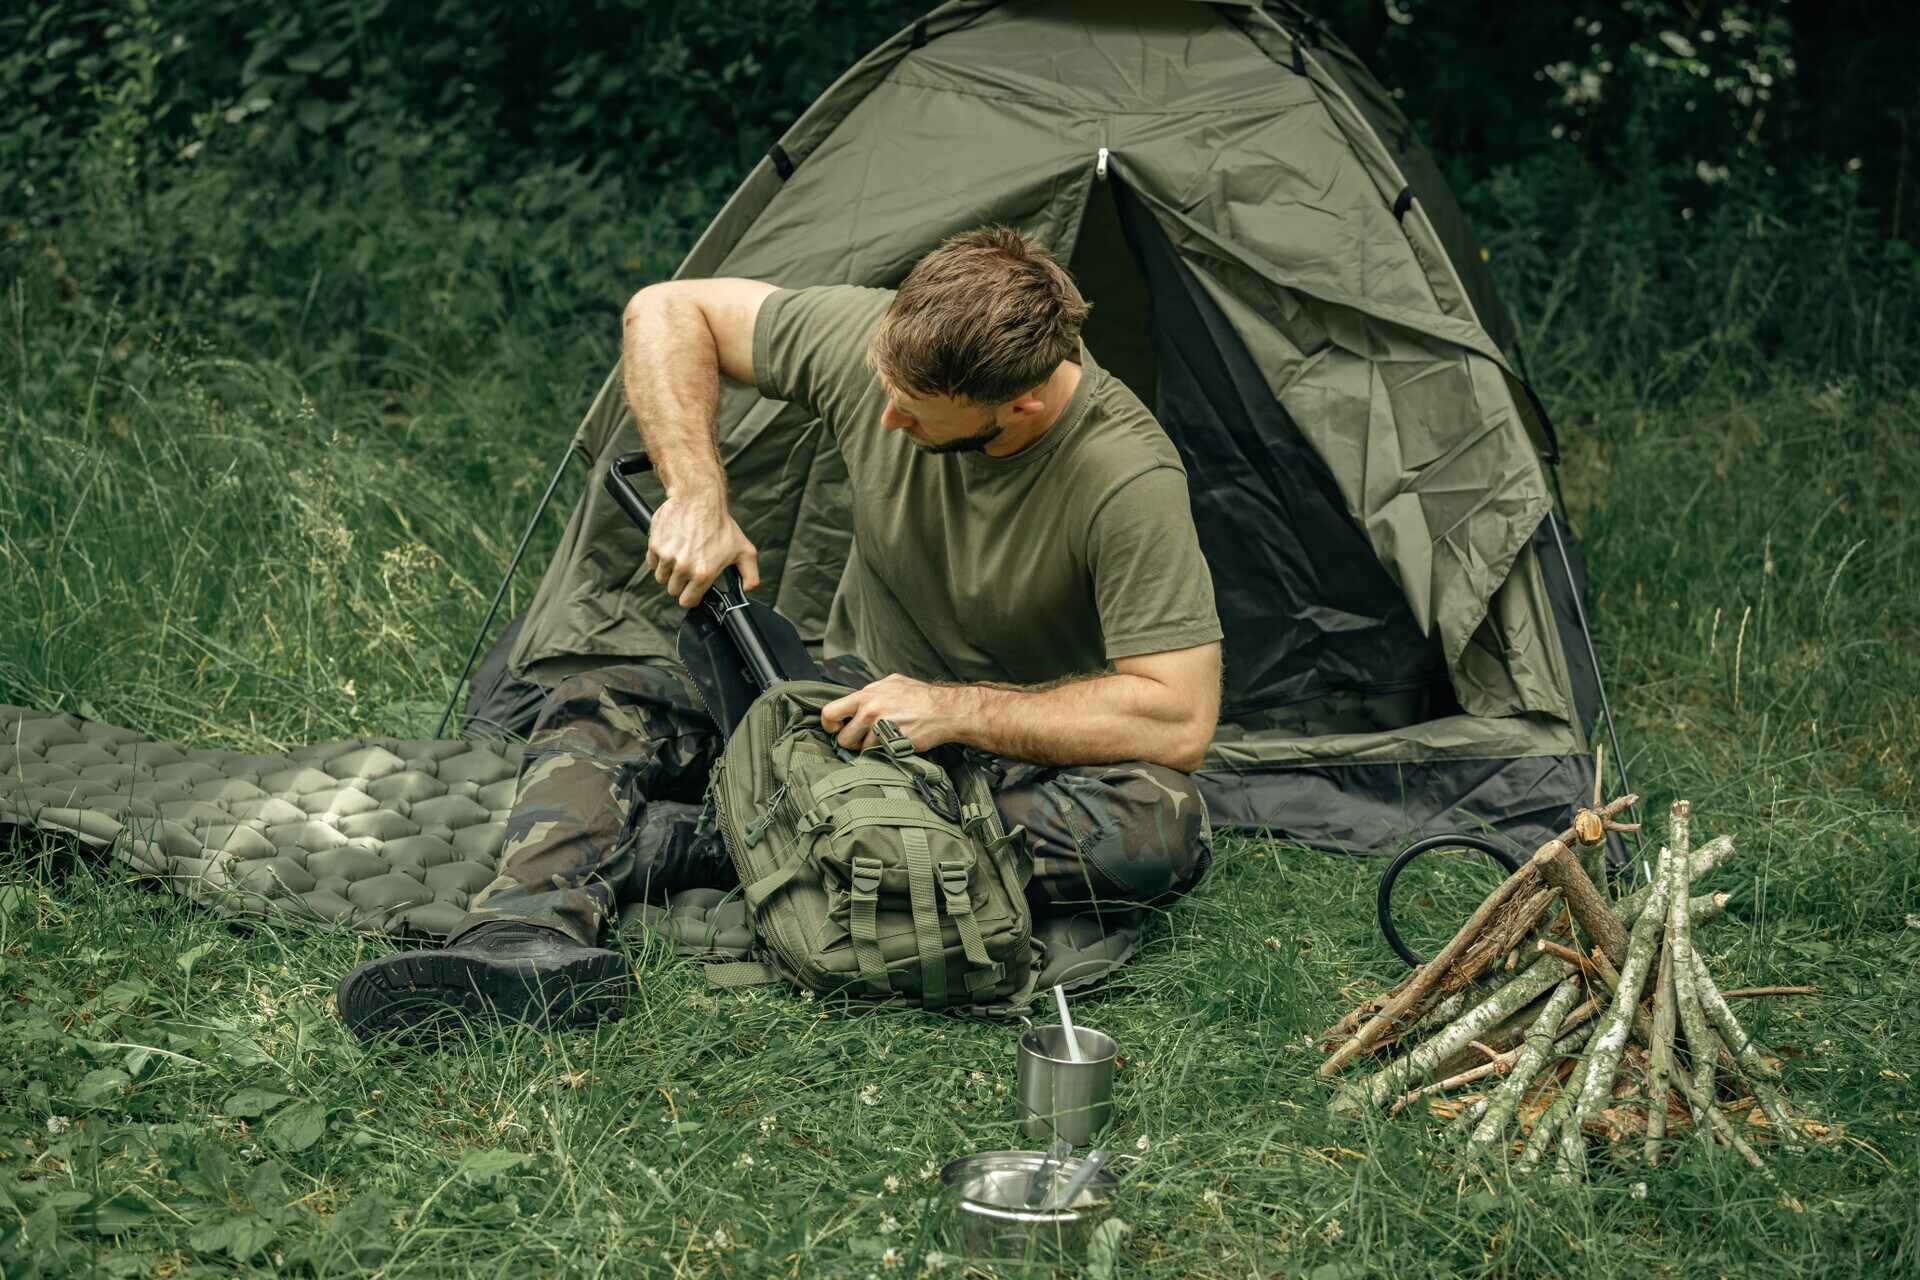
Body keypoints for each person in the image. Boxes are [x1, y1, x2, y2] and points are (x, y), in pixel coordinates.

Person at [337, 227, 1224, 1039]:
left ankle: (707, 838)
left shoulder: (1126, 477)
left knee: (1164, 824)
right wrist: (695, 490)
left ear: (1022, 407)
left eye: (915, 412)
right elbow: (666, 307)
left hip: (998, 763)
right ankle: (520, 939)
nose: (886, 421)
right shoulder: (885, 345)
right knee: (600, 698)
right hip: (832, 704)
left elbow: (1177, 718)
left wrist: (951, 710)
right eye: (886, 390)